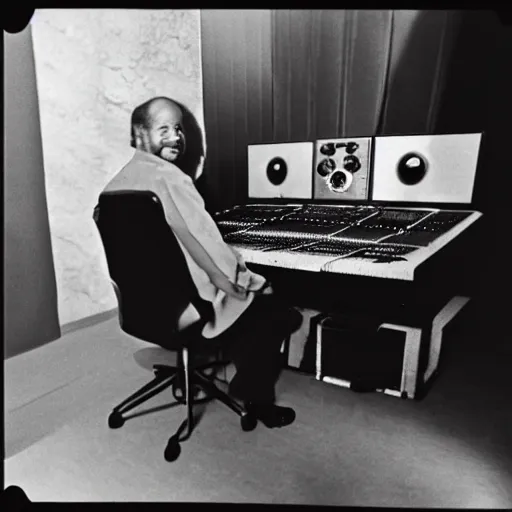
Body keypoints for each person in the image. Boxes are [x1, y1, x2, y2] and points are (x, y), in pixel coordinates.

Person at [102, 96, 302, 428]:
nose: (176, 136)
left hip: (141, 310)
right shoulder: (171, 178)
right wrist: (252, 283)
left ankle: (233, 361)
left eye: (178, 128)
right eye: (163, 128)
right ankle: (257, 398)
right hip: (183, 309)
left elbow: (172, 248)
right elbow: (208, 247)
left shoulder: (113, 188)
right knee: (272, 310)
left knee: (244, 306)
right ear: (139, 133)